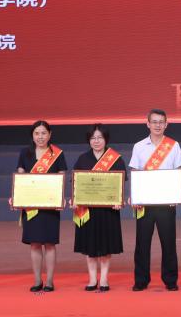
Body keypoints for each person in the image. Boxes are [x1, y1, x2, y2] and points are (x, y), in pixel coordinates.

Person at [129, 109, 181, 291]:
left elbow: (178, 172)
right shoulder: (139, 146)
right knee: (142, 243)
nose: (158, 125)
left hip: (166, 203)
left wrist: (176, 194)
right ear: (148, 124)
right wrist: (135, 196)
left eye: (161, 122)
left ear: (166, 124)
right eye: (154, 122)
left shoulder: (173, 145)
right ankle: (141, 280)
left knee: (168, 243)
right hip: (144, 203)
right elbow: (135, 172)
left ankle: (170, 280)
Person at [12, 120, 66, 292]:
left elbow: (61, 177)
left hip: (50, 206)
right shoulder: (25, 153)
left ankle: (49, 281)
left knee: (50, 244)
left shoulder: (57, 153)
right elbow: (20, 177)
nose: (40, 137)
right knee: (35, 244)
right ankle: (37, 280)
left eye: (44, 133)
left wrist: (60, 198)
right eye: (37, 133)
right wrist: (16, 197)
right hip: (31, 207)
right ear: (32, 135)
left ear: (50, 135)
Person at [71, 123, 126, 292]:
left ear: (106, 139)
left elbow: (121, 184)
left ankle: (104, 279)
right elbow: (76, 183)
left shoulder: (116, 159)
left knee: (106, 246)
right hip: (88, 210)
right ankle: (92, 279)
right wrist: (75, 199)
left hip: (108, 210)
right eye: (93, 138)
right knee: (90, 247)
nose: (96, 141)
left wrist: (119, 200)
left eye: (100, 137)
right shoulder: (82, 159)